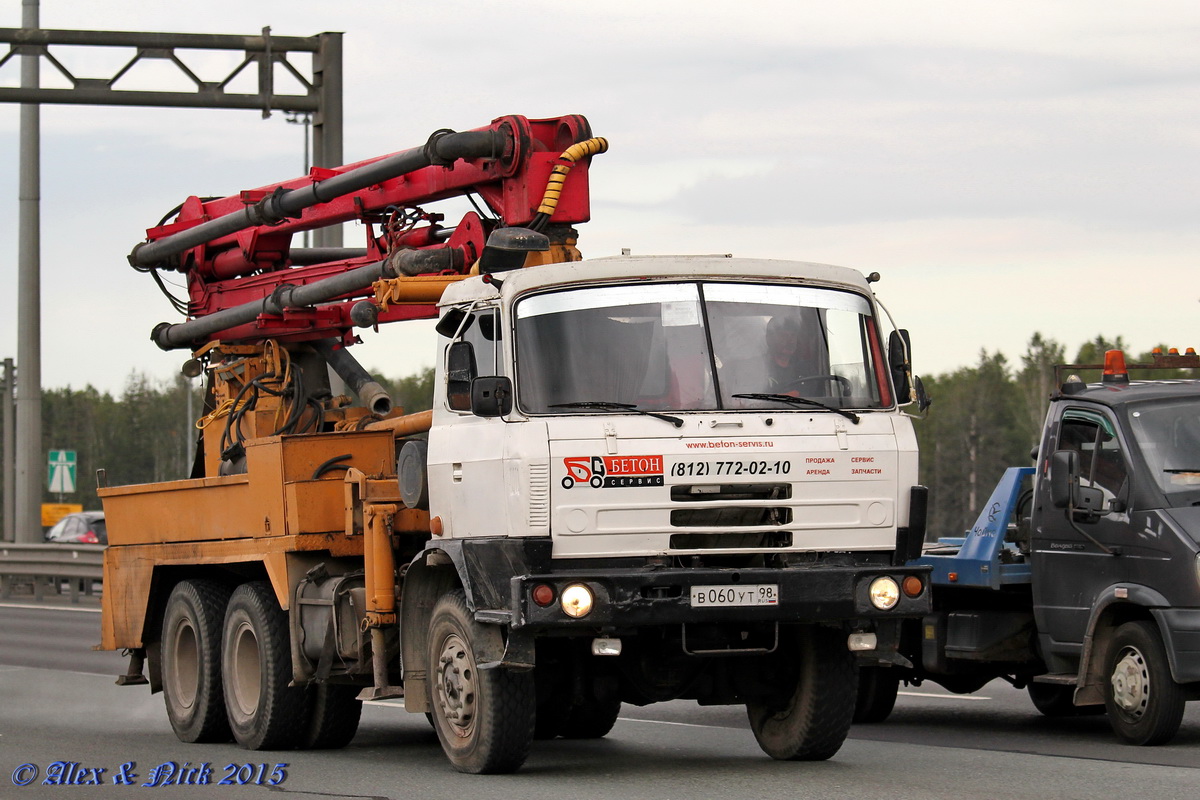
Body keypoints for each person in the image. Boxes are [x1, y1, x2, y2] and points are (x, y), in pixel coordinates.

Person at [764, 315, 818, 392]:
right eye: (783, 335)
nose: (790, 341)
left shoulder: (807, 370)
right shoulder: (757, 367)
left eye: (793, 335)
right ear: (769, 339)